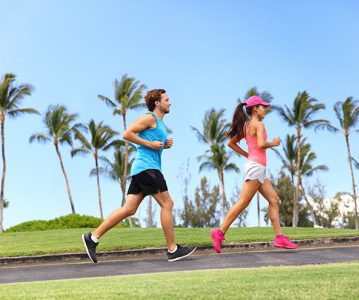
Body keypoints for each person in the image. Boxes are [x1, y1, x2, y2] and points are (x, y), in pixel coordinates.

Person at [82, 89, 196, 263]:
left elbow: (151, 142)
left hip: (142, 169)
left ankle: (93, 237)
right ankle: (172, 249)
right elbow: (127, 134)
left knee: (129, 209)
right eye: (166, 99)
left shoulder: (160, 123)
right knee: (168, 203)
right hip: (147, 169)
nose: (170, 102)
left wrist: (164, 145)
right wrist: (149, 143)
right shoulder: (149, 117)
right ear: (157, 103)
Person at [211, 96, 298, 253]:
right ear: (255, 109)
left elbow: (231, 143)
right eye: (262, 107)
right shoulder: (258, 124)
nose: (265, 109)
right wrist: (274, 143)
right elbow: (261, 144)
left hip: (257, 167)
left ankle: (279, 238)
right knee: (243, 202)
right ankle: (219, 233)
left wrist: (248, 155)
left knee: (274, 199)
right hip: (256, 167)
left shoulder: (246, 126)